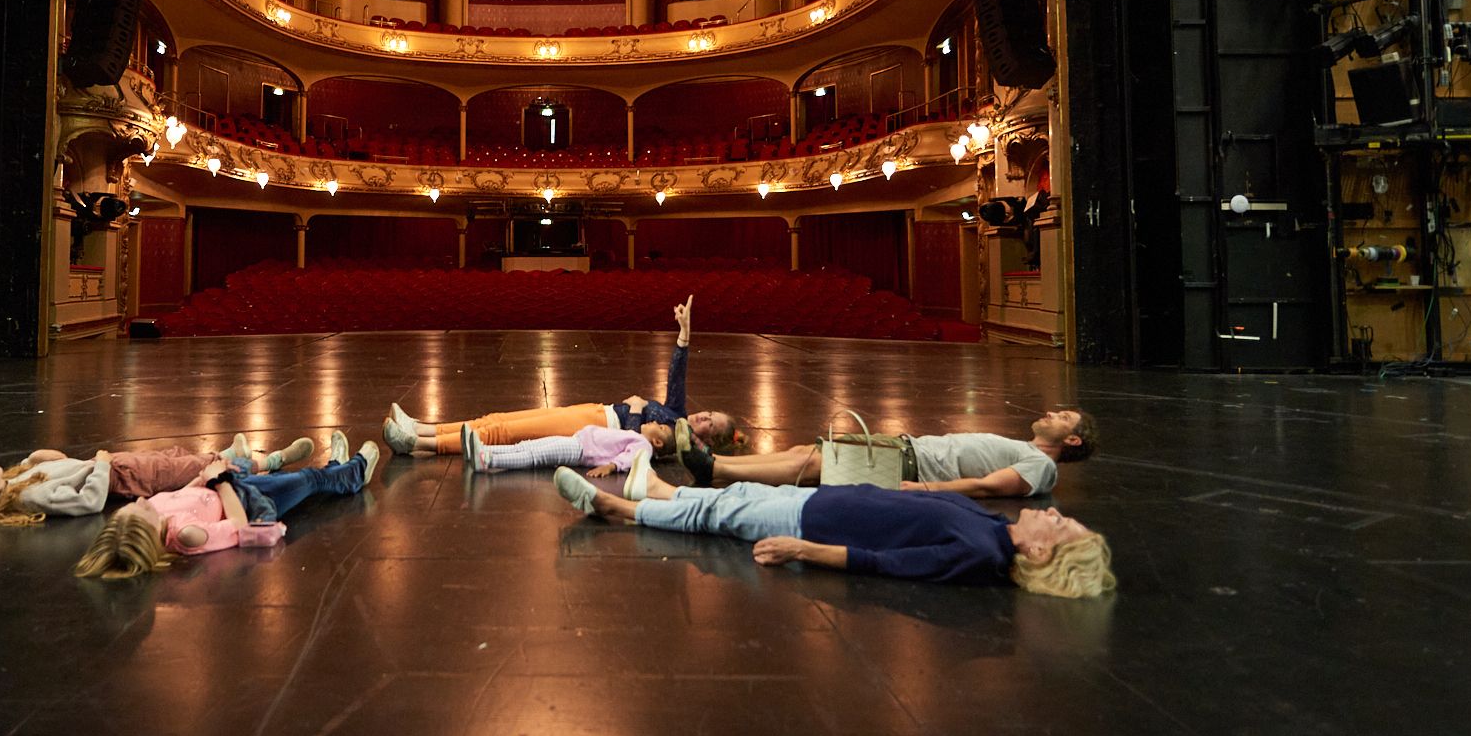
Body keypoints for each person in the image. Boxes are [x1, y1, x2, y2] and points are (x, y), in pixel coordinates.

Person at [551, 468, 1114, 598]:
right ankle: (657, 492)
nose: (1054, 513)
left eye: (1061, 525)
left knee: (716, 518)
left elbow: (884, 562)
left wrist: (806, 551)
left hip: (810, 524)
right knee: (734, 496)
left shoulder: (979, 553)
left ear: (1040, 552)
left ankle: (614, 509)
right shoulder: (993, 525)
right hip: (825, 501)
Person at [382, 297, 744, 459]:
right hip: (596, 411)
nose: (704, 416)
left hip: (597, 427)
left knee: (501, 435)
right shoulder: (678, 415)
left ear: (708, 440)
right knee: (497, 421)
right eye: (710, 412)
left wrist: (635, 412)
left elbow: (639, 445)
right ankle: (422, 428)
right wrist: (684, 334)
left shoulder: (679, 446)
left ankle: (418, 446)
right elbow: (677, 375)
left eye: (711, 424)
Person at [74, 432, 381, 579]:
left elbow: (183, 494)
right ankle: (354, 473)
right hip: (248, 502)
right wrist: (218, 481)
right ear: (147, 530)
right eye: (140, 508)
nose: (141, 500)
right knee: (305, 481)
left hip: (226, 486)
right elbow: (238, 526)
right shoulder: (186, 535)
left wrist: (206, 475)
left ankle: (326, 465)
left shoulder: (158, 513)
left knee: (244, 465)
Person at [681, 408, 1094, 498]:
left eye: (1064, 417)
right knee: (806, 451)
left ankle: (713, 464)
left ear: (1072, 440)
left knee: (815, 466)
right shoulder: (1027, 448)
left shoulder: (1040, 465)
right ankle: (717, 471)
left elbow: (990, 486)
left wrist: (926, 489)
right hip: (908, 448)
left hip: (912, 464)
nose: (1053, 413)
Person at [0, 433, 315, 527]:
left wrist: (36, 458)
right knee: (187, 471)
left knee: (176, 459)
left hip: (117, 465)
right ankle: (268, 463)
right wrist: (99, 463)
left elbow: (58, 464)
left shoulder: (21, 479)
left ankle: (236, 455)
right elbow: (88, 502)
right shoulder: (30, 498)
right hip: (118, 476)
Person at [462, 421, 655, 497]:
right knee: (526, 446)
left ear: (658, 442)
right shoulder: (638, 437)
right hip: (576, 442)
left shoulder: (645, 445)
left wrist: (612, 466)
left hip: (580, 449)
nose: (656, 422)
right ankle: (483, 449)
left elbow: (632, 458)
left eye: (661, 428)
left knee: (533, 456)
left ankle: (487, 460)